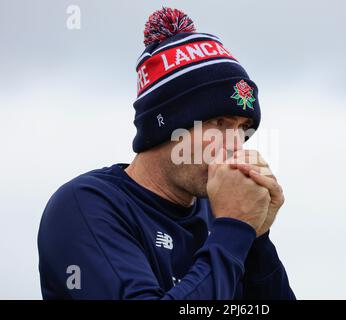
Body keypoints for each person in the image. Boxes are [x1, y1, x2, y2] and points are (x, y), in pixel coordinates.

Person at [38, 7, 296, 300]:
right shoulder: (86, 206)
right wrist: (234, 230)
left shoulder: (219, 215)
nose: (236, 144)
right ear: (168, 125)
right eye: (218, 123)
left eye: (243, 128)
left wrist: (257, 238)